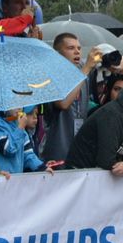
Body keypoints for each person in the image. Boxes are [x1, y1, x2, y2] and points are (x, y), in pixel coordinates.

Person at [41, 33, 96, 163]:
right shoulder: (50, 76)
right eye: (71, 48)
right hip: (56, 148)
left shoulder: (82, 75)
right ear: (57, 53)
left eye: (79, 48)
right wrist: (87, 68)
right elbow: (63, 104)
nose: (77, 52)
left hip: (77, 146)